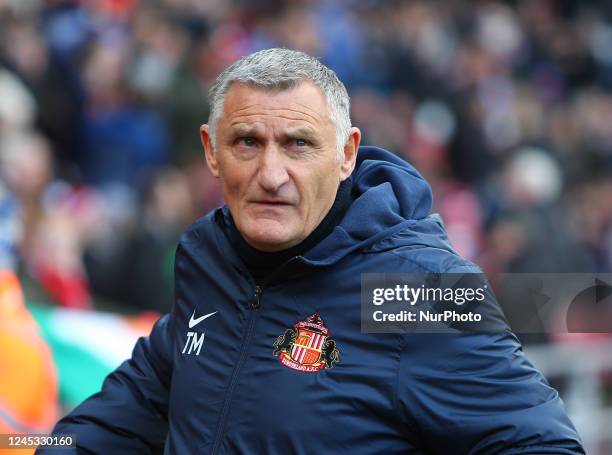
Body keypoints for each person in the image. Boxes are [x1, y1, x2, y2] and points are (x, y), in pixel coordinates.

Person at [39, 48, 584, 454]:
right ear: (210, 150)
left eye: (298, 145)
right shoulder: (210, 258)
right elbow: (115, 423)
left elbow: (542, 445)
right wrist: (19, 446)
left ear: (346, 154)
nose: (270, 174)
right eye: (247, 142)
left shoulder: (417, 289)